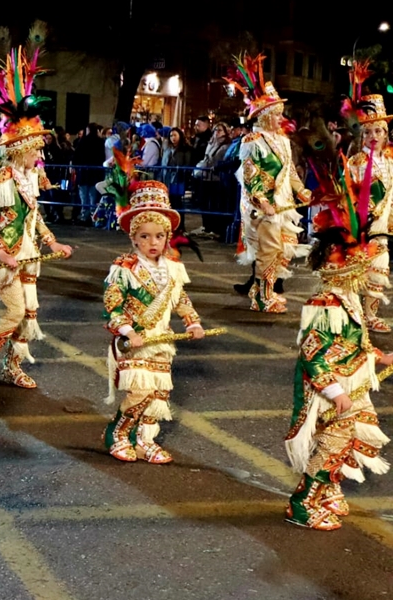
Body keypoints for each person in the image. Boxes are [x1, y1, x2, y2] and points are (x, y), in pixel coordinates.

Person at [285, 161, 393, 531]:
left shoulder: (347, 301)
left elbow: (355, 341)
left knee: (354, 437)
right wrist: (334, 391)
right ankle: (303, 503)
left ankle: (327, 491)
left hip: (351, 383)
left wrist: (380, 356)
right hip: (331, 388)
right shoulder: (324, 304)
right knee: (332, 442)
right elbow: (313, 353)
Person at [0, 33, 74, 394]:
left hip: (30, 255)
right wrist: (2, 251)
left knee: (30, 313)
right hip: (7, 257)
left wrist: (52, 241)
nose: (39, 156)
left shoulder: (28, 179)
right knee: (13, 313)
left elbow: (34, 216)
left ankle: (12, 367)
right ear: (21, 149)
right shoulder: (1, 179)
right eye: (35, 150)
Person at [102, 180, 205, 463]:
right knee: (141, 391)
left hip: (162, 341)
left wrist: (192, 323)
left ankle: (145, 441)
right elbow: (112, 306)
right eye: (145, 237)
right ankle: (118, 433)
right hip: (133, 341)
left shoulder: (173, 268)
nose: (153, 243)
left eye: (159, 236)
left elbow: (180, 299)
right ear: (134, 238)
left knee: (158, 395)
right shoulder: (123, 267)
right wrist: (126, 331)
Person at [226, 53, 312, 313]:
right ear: (263, 117)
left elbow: (290, 173)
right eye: (275, 115)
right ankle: (263, 296)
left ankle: (266, 289)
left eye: (280, 114)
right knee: (268, 250)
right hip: (263, 206)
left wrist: (302, 190)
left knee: (283, 250)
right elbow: (250, 176)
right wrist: (262, 201)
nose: (279, 119)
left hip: (283, 206)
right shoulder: (252, 141)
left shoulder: (283, 141)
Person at [343, 62, 393, 333]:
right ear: (362, 134)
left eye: (379, 131)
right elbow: (346, 193)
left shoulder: (391, 161)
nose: (374, 136)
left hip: (381, 229)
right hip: (358, 228)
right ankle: (353, 312)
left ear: (386, 134)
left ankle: (371, 314)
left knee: (379, 269)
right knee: (355, 271)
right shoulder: (355, 162)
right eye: (369, 132)